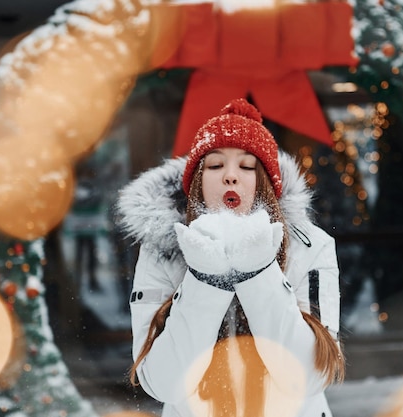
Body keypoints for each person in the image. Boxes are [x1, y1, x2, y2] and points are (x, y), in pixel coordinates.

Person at [116, 98, 344, 417]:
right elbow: (163, 383)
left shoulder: (309, 247)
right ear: (197, 182)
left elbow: (311, 376)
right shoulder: (161, 252)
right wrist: (205, 279)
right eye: (215, 165)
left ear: (265, 182)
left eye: (247, 166)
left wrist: (258, 273)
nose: (230, 176)